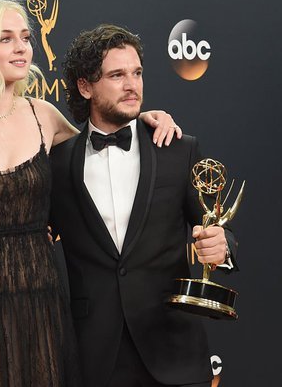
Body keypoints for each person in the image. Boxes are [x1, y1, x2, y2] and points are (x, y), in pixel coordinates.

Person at [0, 0, 180, 387]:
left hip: (42, 291)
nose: (21, 47)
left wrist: (142, 121)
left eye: (25, 37)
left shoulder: (45, 116)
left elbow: (102, 155)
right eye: (6, 39)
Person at [49, 24, 238, 387]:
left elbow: (215, 225)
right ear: (85, 87)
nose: (132, 85)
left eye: (136, 73)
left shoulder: (178, 149)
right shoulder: (57, 163)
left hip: (172, 347)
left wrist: (222, 247)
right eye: (117, 75)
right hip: (95, 355)